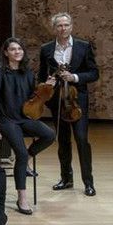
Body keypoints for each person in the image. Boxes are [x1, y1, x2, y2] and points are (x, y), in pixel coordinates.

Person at [0, 38, 55, 215]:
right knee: (20, 152)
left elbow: (33, 97)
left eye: (20, 49)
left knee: (49, 134)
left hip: (24, 118)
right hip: (7, 120)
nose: (17, 52)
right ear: (6, 53)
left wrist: (46, 88)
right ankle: (22, 198)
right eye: (13, 49)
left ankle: (27, 157)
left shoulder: (28, 73)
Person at [39, 13, 99, 196]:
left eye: (66, 25)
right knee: (63, 141)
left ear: (71, 27)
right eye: (59, 26)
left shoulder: (83, 46)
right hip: (58, 102)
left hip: (77, 102)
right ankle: (66, 179)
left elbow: (94, 73)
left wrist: (74, 77)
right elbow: (41, 76)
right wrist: (47, 82)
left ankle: (88, 182)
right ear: (54, 28)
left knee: (81, 139)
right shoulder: (46, 49)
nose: (63, 28)